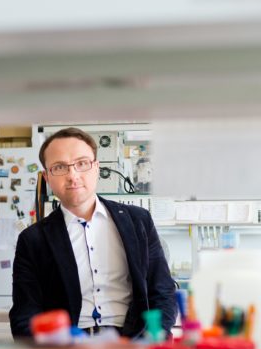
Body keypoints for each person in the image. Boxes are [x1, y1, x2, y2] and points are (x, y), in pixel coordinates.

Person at [9, 127, 176, 338]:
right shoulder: (32, 239)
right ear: (47, 177)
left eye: (82, 163)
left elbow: (162, 292)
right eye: (59, 167)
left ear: (96, 167)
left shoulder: (138, 222)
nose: (73, 175)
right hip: (66, 348)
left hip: (133, 342)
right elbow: (25, 313)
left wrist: (152, 339)